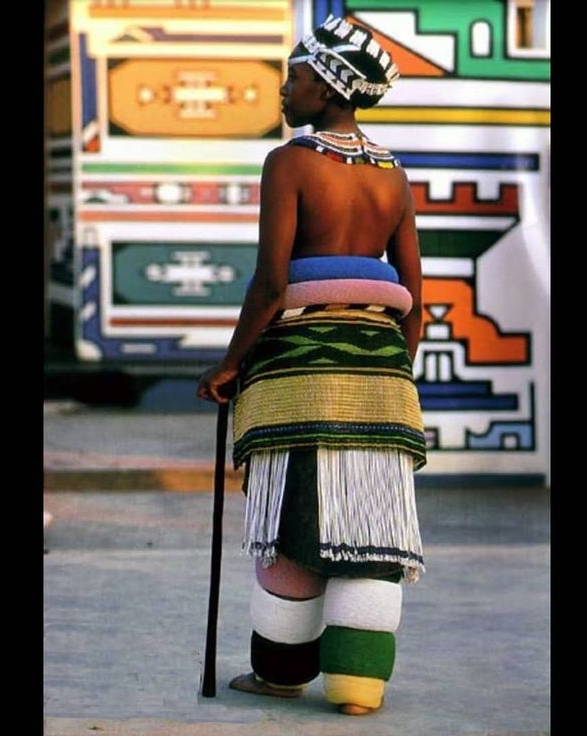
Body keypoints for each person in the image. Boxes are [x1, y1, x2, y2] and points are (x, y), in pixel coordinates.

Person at [197, 14, 426, 716]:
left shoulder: (291, 163)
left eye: (294, 77)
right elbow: (415, 294)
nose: (284, 90)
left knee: (295, 516)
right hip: (381, 374)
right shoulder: (393, 175)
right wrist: (392, 371)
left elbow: (271, 283)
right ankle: (360, 686)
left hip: (301, 370)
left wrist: (230, 365)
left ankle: (283, 673)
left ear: (327, 88)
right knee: (374, 523)